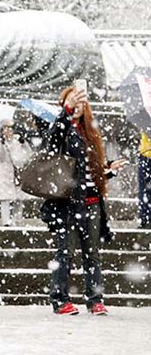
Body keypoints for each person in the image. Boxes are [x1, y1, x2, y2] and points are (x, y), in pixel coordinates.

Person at [41, 86, 128, 316]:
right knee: (65, 253)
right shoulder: (62, 127)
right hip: (68, 203)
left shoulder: (89, 133)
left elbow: (91, 172)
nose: (79, 105)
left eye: (81, 101)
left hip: (91, 203)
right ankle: (60, 300)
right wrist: (67, 110)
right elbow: (53, 142)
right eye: (73, 101)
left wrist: (109, 170)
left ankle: (95, 299)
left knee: (92, 254)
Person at [0, 120, 31, 226]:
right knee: (5, 199)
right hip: (5, 173)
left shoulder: (17, 141)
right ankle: (6, 222)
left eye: (10, 128)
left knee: (19, 198)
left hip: (17, 172)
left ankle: (17, 220)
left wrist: (24, 143)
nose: (8, 131)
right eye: (6, 128)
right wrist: (1, 144)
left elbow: (27, 155)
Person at [138, 130, 151, 228]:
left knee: (144, 190)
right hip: (145, 154)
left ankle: (145, 218)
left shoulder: (145, 117)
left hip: (146, 154)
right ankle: (145, 217)